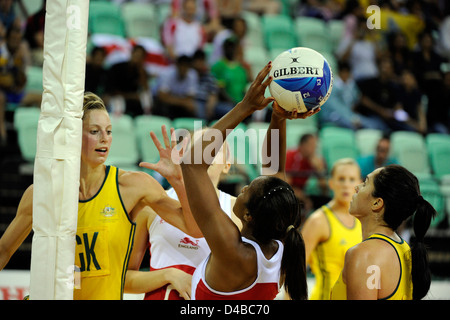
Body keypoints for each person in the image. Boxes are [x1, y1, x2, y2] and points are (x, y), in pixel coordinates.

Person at [0, 92, 199, 300]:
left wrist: (179, 182)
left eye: (109, 131)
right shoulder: (43, 192)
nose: (105, 138)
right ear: (74, 136)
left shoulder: (132, 186)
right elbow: (4, 249)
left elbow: (193, 228)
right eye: (95, 131)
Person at [181, 62, 319, 300]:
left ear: (248, 215)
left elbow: (192, 164)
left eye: (247, 190)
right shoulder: (281, 246)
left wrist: (245, 107)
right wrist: (278, 115)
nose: (243, 188)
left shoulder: (233, 251)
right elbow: (274, 169)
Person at [125, 127, 242, 300]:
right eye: (198, 147)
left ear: (227, 165)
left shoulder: (238, 212)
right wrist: (169, 275)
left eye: (213, 149)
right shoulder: (154, 204)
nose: (204, 154)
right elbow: (123, 279)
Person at [331, 164, 436, 300]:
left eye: (365, 183)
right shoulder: (404, 249)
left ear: (377, 203)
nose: (356, 187)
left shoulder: (364, 255)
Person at [301, 158, 362, 300]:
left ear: (359, 184)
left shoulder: (363, 220)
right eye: (341, 179)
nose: (346, 185)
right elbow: (295, 271)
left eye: (351, 179)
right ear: (331, 183)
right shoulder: (318, 221)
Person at [285, 133, 329, 215]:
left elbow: (324, 189)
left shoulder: (315, 160)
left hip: (302, 192)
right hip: (289, 193)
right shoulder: (290, 155)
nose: (314, 149)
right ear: (302, 145)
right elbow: (286, 185)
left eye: (315, 146)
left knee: (326, 201)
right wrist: (304, 198)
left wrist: (319, 169)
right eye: (311, 145)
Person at [104, 45, 150, 117]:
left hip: (134, 101)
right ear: (132, 53)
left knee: (145, 96)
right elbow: (112, 90)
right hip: (118, 98)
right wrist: (130, 96)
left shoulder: (141, 72)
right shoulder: (117, 68)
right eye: (136, 54)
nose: (137, 57)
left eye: (140, 56)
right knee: (118, 102)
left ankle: (146, 118)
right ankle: (118, 122)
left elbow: (145, 90)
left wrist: (141, 72)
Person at [153, 54, 198, 120]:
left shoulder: (193, 75)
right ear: (177, 65)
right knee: (162, 107)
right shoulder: (166, 73)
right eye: (182, 65)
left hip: (176, 103)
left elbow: (190, 99)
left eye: (186, 66)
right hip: (165, 104)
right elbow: (162, 97)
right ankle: (165, 127)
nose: (183, 68)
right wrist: (182, 102)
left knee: (193, 108)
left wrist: (176, 100)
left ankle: (193, 129)